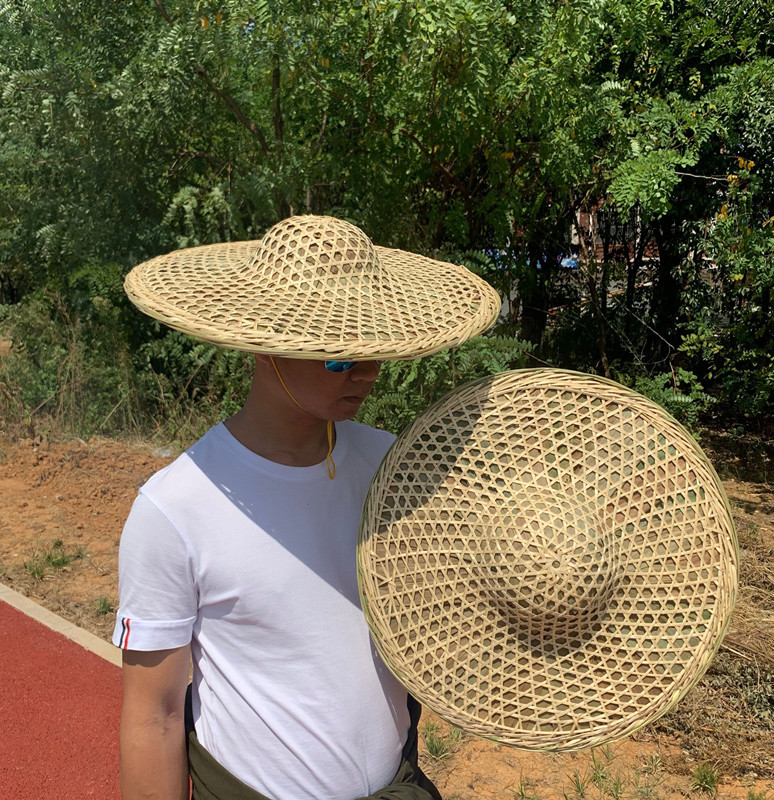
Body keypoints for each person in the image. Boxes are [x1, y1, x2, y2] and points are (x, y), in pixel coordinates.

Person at [114, 215, 499, 800]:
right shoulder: (175, 509)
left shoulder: (392, 467)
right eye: (339, 356)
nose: (367, 373)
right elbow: (154, 717)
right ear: (265, 346)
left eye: (374, 349)